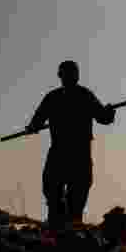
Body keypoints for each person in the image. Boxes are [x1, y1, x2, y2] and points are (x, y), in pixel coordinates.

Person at [26, 60, 116, 228]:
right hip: (72, 155)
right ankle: (63, 225)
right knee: (58, 194)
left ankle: (63, 225)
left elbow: (103, 117)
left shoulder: (58, 97)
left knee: (68, 196)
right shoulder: (79, 95)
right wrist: (108, 112)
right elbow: (104, 117)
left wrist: (108, 112)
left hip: (70, 154)